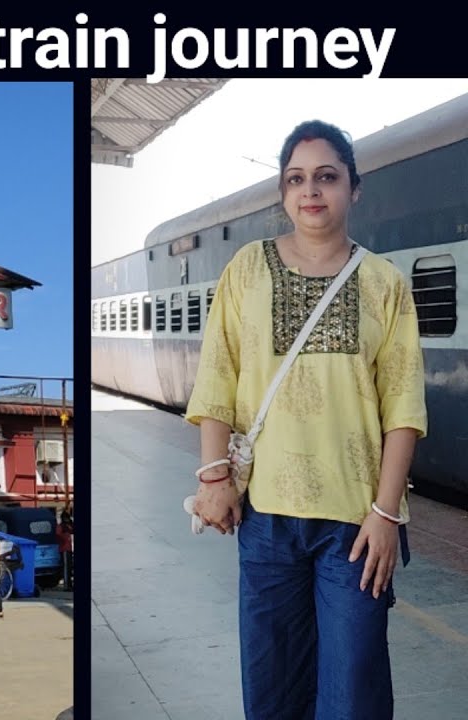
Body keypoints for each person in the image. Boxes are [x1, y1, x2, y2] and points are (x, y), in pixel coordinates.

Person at [185, 120, 426, 720]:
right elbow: (218, 377)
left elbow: (403, 408)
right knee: (273, 686)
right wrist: (215, 479)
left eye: (326, 177)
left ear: (353, 189)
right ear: (283, 193)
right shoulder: (247, 270)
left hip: (355, 525)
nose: (310, 191)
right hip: (266, 520)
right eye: (296, 179)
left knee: (354, 691)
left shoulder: (383, 283)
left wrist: (387, 514)